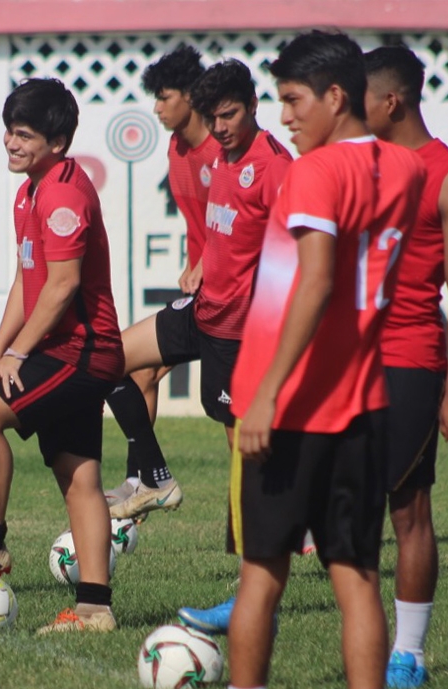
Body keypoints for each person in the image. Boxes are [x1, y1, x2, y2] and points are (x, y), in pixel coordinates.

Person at [221, 31, 425, 689]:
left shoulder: (311, 174)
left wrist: (266, 392)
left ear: (336, 96)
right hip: (364, 400)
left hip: (293, 408)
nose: (286, 116)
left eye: (294, 100)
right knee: (357, 578)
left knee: (262, 579)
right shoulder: (405, 171)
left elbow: (314, 282)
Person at [0, 78, 125, 634]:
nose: (11, 143)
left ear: (58, 142)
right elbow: (27, 281)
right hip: (70, 350)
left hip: (81, 352)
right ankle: (94, 607)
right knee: (78, 477)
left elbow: (62, 286)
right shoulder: (32, 189)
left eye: (24, 135)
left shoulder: (63, 193)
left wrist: (20, 353)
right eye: (9, 132)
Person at [106, 59, 291, 521]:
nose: (220, 127)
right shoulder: (218, 156)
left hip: (239, 327)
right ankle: (151, 477)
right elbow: (224, 232)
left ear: (253, 106)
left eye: (228, 115)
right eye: (214, 118)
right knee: (108, 358)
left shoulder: (273, 166)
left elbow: (297, 255)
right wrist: (201, 265)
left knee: (242, 443)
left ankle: (276, 541)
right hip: (202, 309)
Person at [364, 45, 448, 689]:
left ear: (393, 101)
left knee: (406, 509)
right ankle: (254, 599)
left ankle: (407, 652)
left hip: (410, 358)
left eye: (361, 98)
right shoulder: (361, 166)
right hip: (346, 360)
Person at [104, 45, 216, 512]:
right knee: (129, 366)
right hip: (204, 296)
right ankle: (143, 479)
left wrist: (208, 262)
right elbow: (200, 223)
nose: (156, 107)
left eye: (164, 96)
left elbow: (242, 225)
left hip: (236, 302)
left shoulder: (222, 152)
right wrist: (195, 265)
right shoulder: (177, 148)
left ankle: (296, 521)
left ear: (191, 96)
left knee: (243, 422)